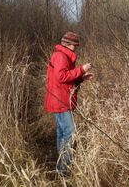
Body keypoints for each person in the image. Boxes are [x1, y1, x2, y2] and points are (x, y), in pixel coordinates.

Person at [44, 31, 93, 175]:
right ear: (69, 44)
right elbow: (61, 76)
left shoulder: (63, 55)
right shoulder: (60, 56)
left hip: (60, 99)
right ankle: (63, 169)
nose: (76, 48)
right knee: (70, 133)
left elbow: (66, 78)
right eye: (75, 45)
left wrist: (81, 77)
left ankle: (61, 165)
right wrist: (81, 69)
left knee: (62, 132)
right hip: (61, 100)